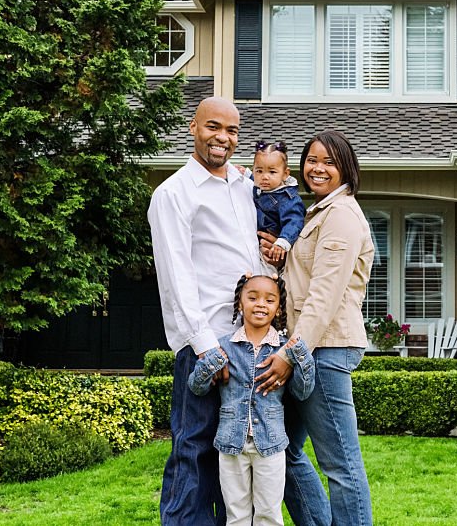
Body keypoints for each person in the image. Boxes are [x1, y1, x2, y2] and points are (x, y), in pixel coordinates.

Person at [148, 97, 270, 525]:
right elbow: (177, 276)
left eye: (233, 130)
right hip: (205, 342)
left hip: (246, 343)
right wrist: (205, 348)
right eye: (213, 127)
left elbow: (250, 261)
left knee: (232, 455)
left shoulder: (242, 184)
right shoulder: (173, 194)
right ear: (193, 127)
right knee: (193, 449)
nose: (223, 138)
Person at [256, 129, 375, 526]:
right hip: (308, 348)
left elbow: (325, 293)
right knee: (282, 450)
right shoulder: (318, 213)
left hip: (323, 350)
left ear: (346, 168)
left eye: (329, 161)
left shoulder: (340, 215)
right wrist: (277, 258)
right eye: (312, 160)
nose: (318, 168)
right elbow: (306, 280)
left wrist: (292, 352)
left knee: (340, 463)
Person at [188, 274, 315, 526]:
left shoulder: (283, 350)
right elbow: (197, 386)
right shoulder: (223, 345)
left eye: (269, 300)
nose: (260, 304)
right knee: (236, 515)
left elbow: (302, 392)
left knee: (269, 514)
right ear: (239, 304)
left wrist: (300, 354)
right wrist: (212, 361)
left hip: (270, 445)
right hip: (231, 444)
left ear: (278, 308)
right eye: (253, 297)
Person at [252, 140, 306, 265]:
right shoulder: (261, 186)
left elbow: (294, 222)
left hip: (274, 249)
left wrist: (282, 242)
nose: (264, 177)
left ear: (285, 174)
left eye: (272, 172)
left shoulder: (288, 199)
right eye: (259, 171)